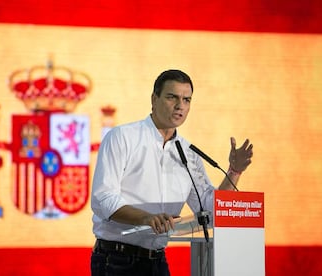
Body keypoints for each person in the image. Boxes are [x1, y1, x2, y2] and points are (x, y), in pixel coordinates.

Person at [90, 69, 253, 276]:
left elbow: (210, 209)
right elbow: (102, 199)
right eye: (172, 97)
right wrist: (146, 218)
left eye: (187, 100)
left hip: (157, 260)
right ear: (154, 99)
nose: (180, 106)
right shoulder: (122, 138)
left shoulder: (189, 153)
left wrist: (234, 171)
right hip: (116, 260)